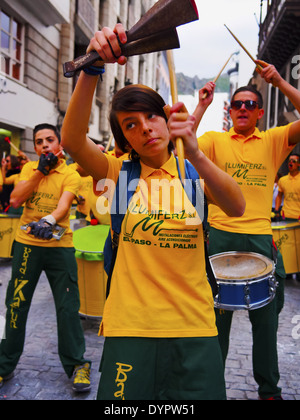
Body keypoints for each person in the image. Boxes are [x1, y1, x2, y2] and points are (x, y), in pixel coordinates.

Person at [61, 24, 245, 401]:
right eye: (131, 125)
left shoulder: (194, 172)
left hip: (194, 328)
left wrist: (194, 151)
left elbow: (237, 205)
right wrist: (92, 68)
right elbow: (74, 142)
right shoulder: (118, 175)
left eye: (150, 117)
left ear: (165, 119)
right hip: (130, 328)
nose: (144, 129)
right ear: (123, 138)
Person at [193, 60, 300, 400]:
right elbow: (178, 147)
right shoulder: (213, 140)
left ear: (259, 112)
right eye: (237, 104)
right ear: (230, 110)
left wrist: (280, 81)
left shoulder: (273, 140)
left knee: (266, 320)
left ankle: (269, 389)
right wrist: (201, 106)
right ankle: (212, 387)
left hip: (259, 238)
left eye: (249, 104)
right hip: (220, 237)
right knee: (217, 319)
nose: (242, 108)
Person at [0, 124, 91, 393]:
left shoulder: (70, 173)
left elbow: (63, 207)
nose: (44, 145)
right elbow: (15, 200)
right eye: (39, 142)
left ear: (59, 144)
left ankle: (77, 365)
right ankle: (4, 365)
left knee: (67, 307)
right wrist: (40, 171)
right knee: (16, 305)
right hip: (27, 246)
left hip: (60, 247)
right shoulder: (29, 170)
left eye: (49, 140)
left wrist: (49, 219)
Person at [275, 153, 300, 221]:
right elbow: (279, 196)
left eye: (294, 161)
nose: (291, 162)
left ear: (299, 164)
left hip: (298, 217)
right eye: (289, 161)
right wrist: (276, 210)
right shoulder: (282, 180)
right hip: (285, 216)